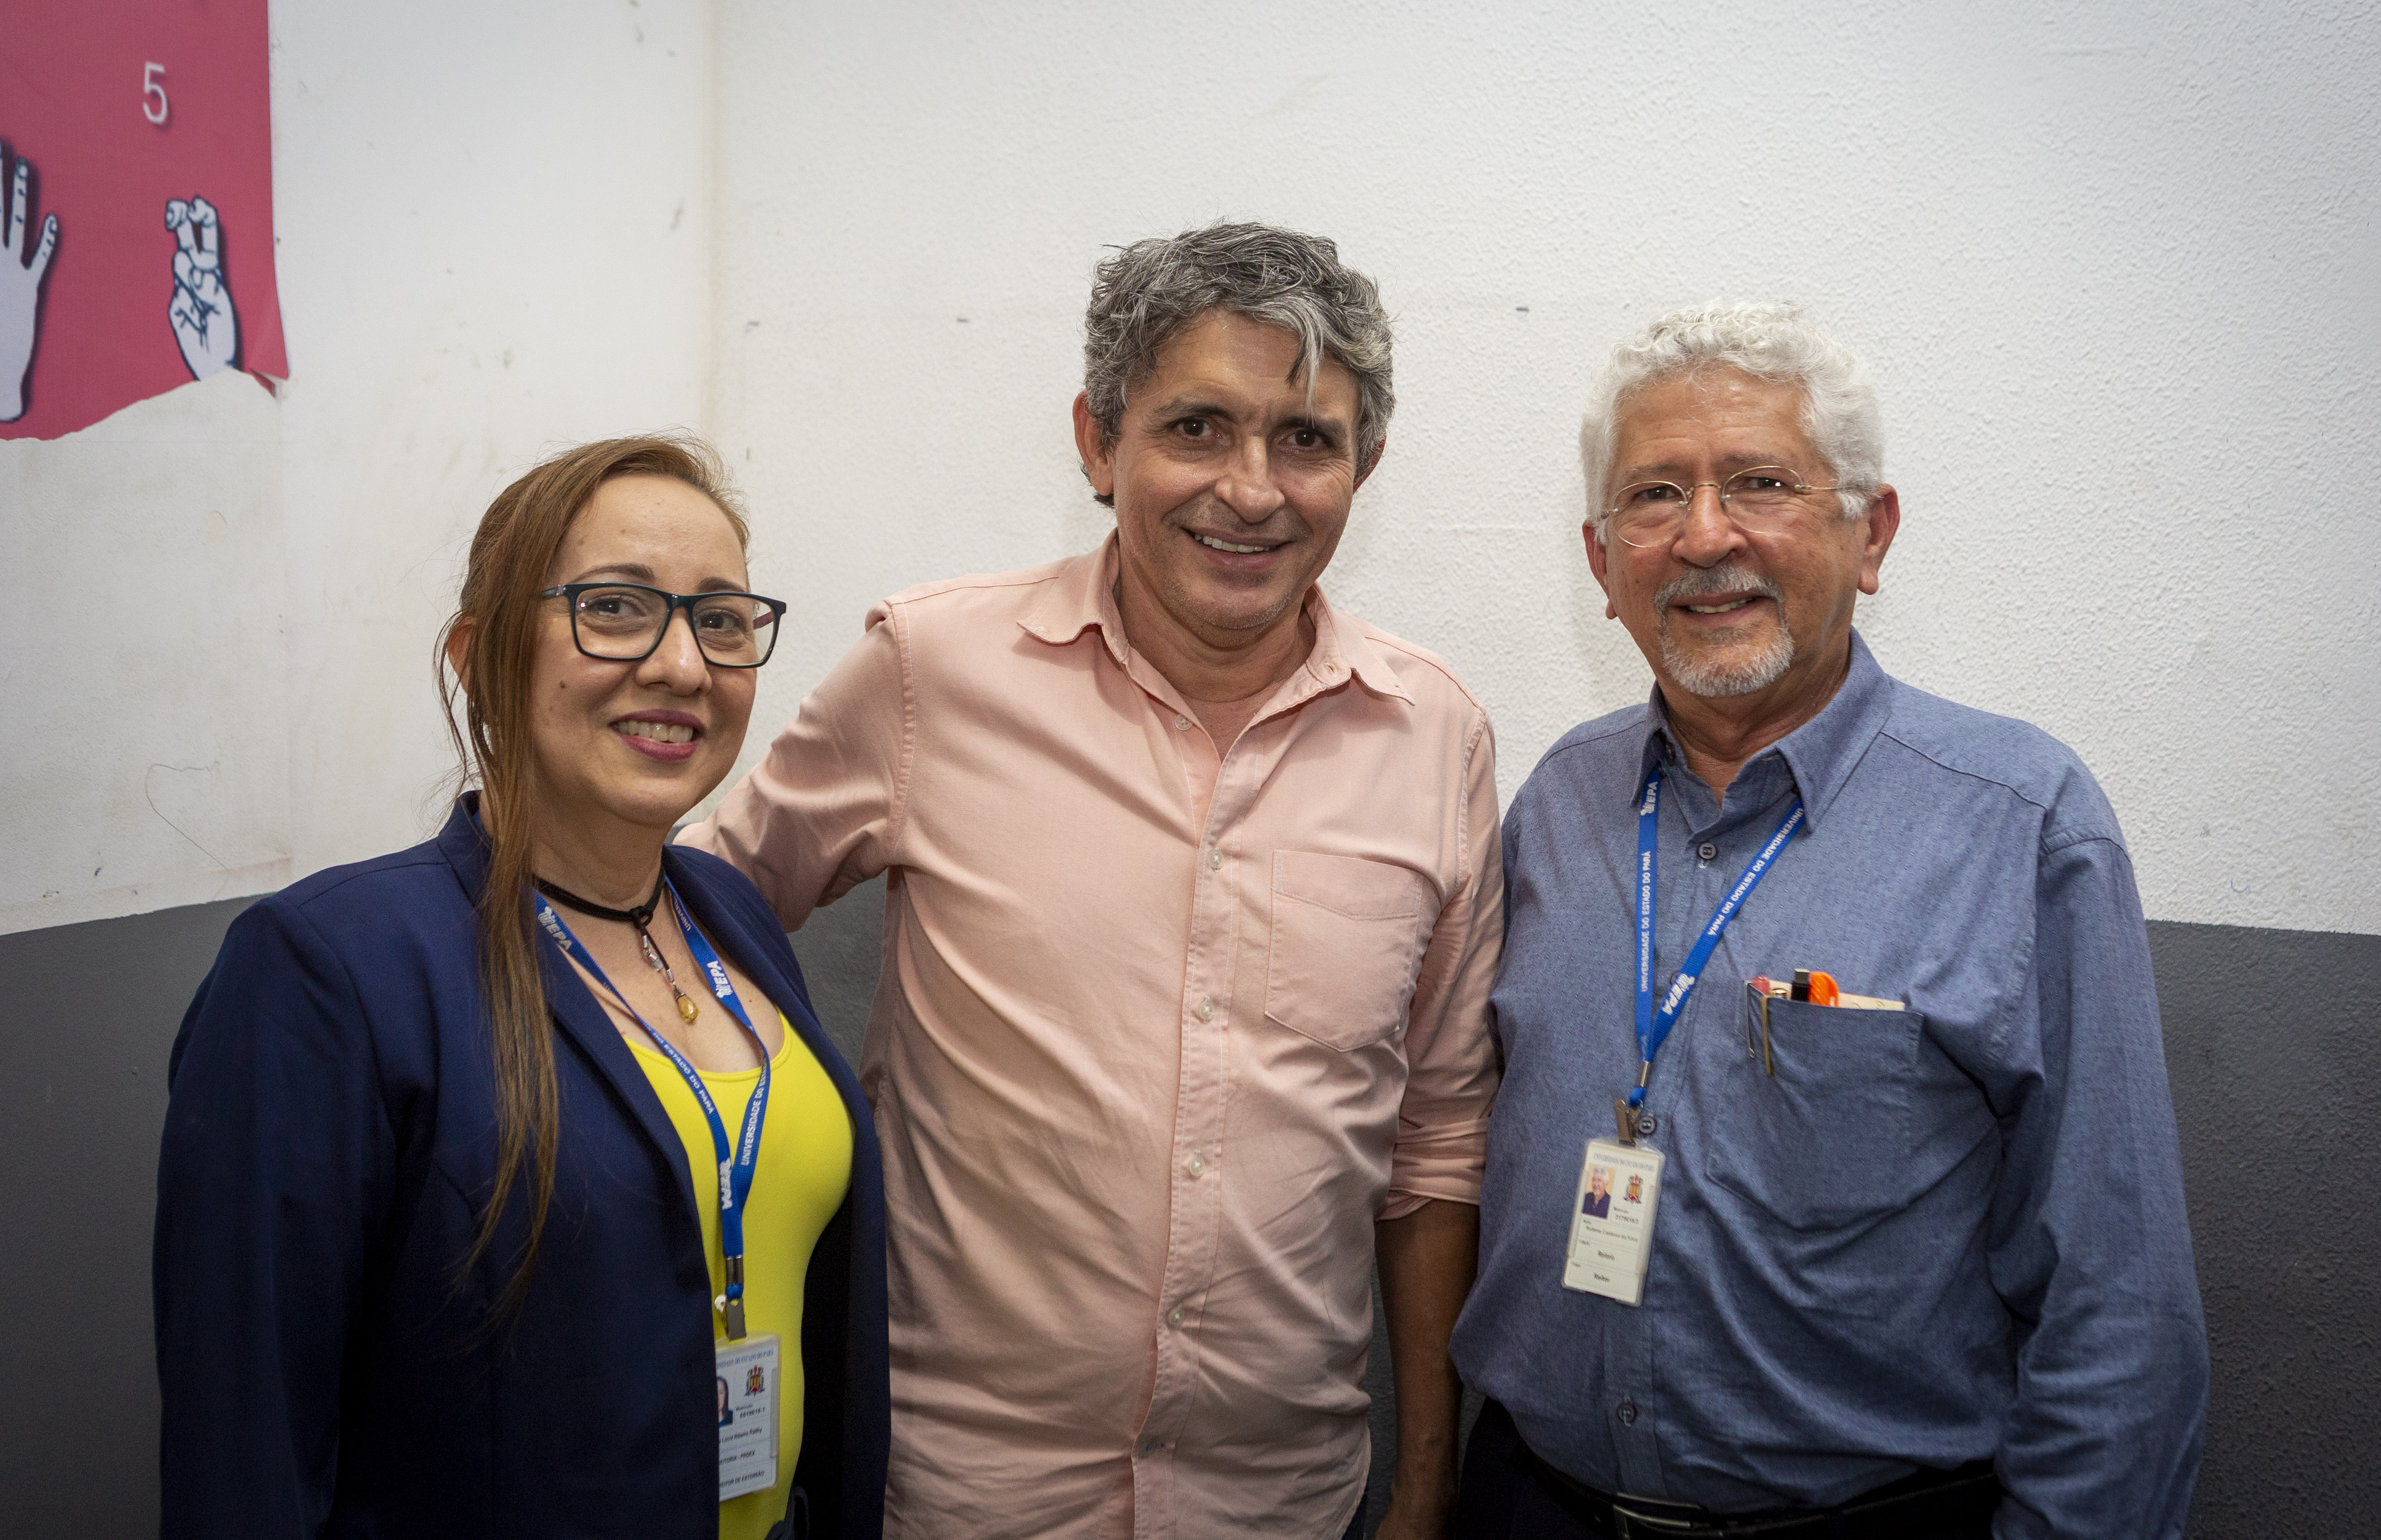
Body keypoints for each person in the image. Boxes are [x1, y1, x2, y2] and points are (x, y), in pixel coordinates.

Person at [682, 223, 1503, 1539]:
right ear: (1097, 440)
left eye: (1306, 439)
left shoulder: (1435, 736)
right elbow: (690, 927)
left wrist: (1423, 1485)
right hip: (959, 1492)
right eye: (1196, 428)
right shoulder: (932, 673)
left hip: (1283, 1502)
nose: (1251, 490)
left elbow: (1438, 1142)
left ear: (1366, 465)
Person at [1450, 303, 2208, 1539]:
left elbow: (2118, 1302)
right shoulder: (1557, 802)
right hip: (1531, 1503)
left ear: (1872, 532)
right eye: (1654, 495)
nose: (1705, 535)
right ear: (1600, 562)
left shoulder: (2022, 824)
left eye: (1762, 483)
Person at [155, 436, 889, 1539]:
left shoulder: (731, 917)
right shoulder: (326, 971)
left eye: (722, 620)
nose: (683, 666)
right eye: (615, 608)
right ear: (478, 653)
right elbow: (242, 1451)